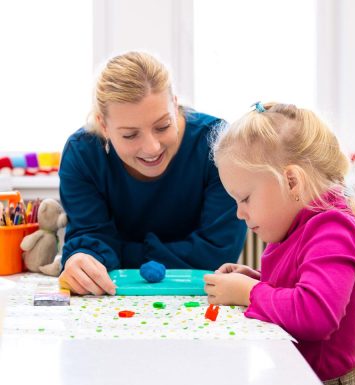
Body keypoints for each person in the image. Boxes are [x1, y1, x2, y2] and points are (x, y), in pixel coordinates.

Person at [204, 102, 355, 385]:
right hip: (292, 373)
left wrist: (249, 293)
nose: (239, 214)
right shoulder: (296, 223)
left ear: (292, 181)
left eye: (244, 198)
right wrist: (257, 280)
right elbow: (298, 285)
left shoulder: (333, 229)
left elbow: (315, 314)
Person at [58, 51, 247, 296]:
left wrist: (118, 253)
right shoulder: (82, 154)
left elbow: (217, 253)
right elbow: (90, 240)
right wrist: (82, 260)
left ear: (175, 104)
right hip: (114, 301)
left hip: (202, 297)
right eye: (130, 135)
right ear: (103, 126)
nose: (152, 148)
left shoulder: (218, 144)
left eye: (163, 126)